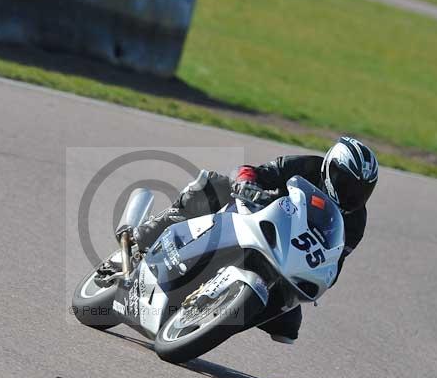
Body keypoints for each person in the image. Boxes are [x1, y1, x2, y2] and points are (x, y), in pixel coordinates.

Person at [118, 137, 379, 344]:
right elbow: (254, 171)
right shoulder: (305, 166)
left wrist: (323, 277)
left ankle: (209, 319)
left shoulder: (356, 222)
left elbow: (335, 259)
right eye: (346, 183)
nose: (352, 194)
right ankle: (151, 232)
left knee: (288, 325)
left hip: (286, 257)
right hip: (256, 216)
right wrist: (246, 183)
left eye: (361, 190)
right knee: (213, 186)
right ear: (330, 168)